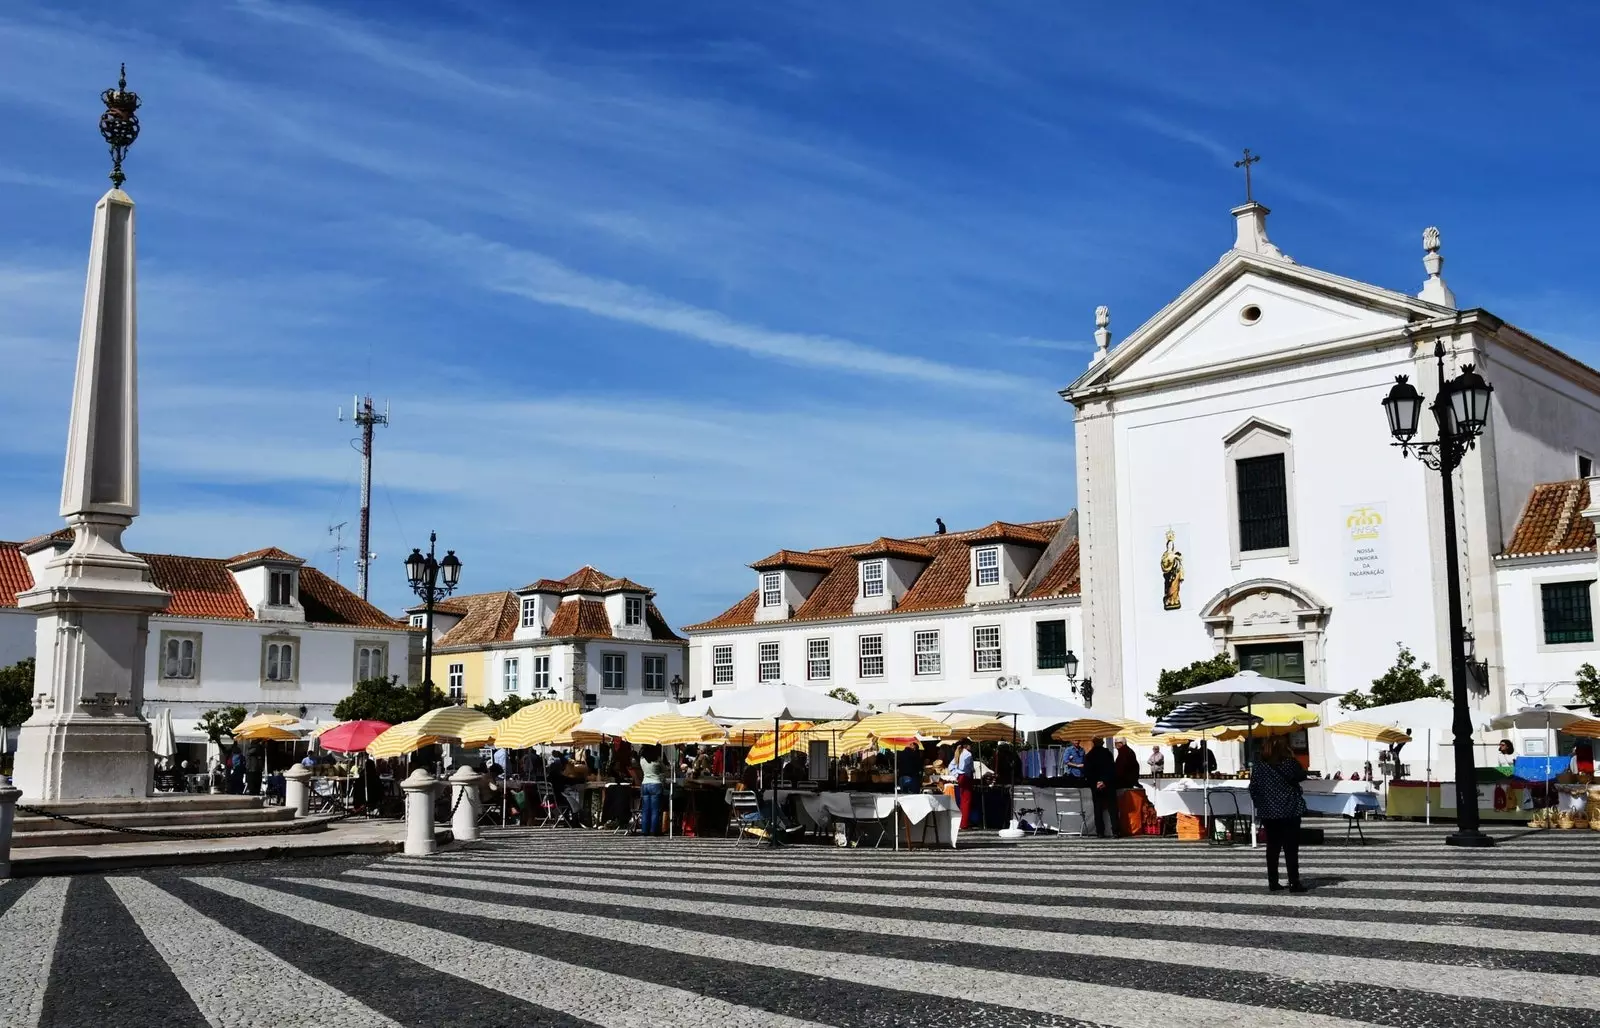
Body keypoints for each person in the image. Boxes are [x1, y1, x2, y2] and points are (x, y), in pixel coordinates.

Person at [1249, 736, 1308, 893]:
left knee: (1272, 847)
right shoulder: (1289, 763)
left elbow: (1253, 788)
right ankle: (1294, 882)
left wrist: (1262, 804)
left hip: (1269, 812)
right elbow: (1302, 776)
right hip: (1289, 810)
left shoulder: (1259, 767)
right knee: (1291, 848)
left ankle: (1273, 882)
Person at [1083, 738, 1117, 838]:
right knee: (1112, 808)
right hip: (1108, 784)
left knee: (1098, 809)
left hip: (1096, 785)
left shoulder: (1089, 755)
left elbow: (1087, 772)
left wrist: (1096, 782)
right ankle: (1115, 831)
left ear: (1093, 743)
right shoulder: (1108, 754)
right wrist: (1104, 781)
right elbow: (1112, 769)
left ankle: (1100, 832)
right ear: (1102, 743)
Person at [637, 744, 667, 835]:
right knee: (655, 809)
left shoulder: (642, 760)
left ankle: (644, 830)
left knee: (645, 809)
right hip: (656, 784)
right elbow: (664, 770)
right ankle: (654, 830)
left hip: (645, 784)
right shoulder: (657, 759)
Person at [951, 739, 976, 827]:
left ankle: (962, 821)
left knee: (962, 800)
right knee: (967, 801)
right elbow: (965, 766)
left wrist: (956, 774)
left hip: (961, 777)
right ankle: (964, 823)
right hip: (966, 777)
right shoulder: (968, 754)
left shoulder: (959, 753)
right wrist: (972, 769)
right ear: (967, 745)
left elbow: (951, 766)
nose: (971, 746)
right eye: (970, 744)